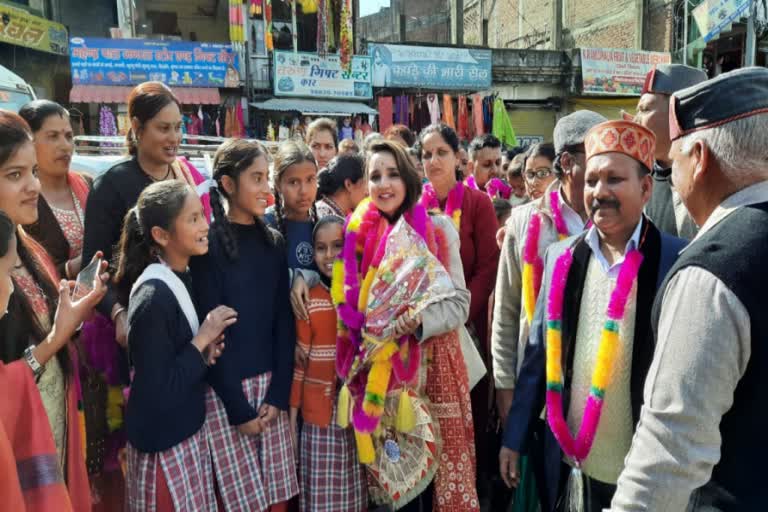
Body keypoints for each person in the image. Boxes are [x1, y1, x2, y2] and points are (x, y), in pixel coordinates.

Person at [499, 120, 686, 512]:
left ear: (646, 188)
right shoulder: (562, 258)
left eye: (615, 179)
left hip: (640, 472)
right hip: (570, 463)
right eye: (592, 181)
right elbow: (538, 358)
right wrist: (513, 438)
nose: (600, 192)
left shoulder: (674, 261)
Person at [609, 67, 768, 511]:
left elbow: (668, 456)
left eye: (673, 161)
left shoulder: (712, 274)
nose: (670, 179)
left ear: (698, 158)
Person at [336, 140, 477, 511]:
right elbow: (344, 296)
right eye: (375, 176)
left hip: (434, 368)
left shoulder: (437, 227)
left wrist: (417, 324)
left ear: (409, 179)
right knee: (394, 484)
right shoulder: (355, 236)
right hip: (378, 376)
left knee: (436, 484)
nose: (384, 184)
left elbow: (459, 302)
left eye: (393, 174)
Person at [491, 110, 604, 510]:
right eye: (595, 154)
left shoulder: (613, 221)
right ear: (568, 163)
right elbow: (505, 315)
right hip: (537, 392)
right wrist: (507, 388)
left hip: (597, 388)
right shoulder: (525, 223)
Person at [0, 110, 109, 511]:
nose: (32, 187)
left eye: (31, 172)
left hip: (51, 435)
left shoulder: (28, 249)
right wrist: (55, 340)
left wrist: (72, 315)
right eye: (14, 176)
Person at [114, 180, 235, 512]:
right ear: (161, 235)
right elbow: (159, 390)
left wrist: (202, 354)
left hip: (182, 437)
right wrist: (202, 339)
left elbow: (173, 362)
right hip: (163, 446)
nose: (204, 226)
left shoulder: (180, 276)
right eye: (193, 219)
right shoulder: (152, 299)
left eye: (202, 216)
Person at [192, 139, 298, 511]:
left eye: (266, 177)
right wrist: (238, 408)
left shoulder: (273, 242)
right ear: (227, 184)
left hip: (270, 392)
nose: (266, 188)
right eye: (256, 178)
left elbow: (284, 323)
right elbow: (212, 338)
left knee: (278, 504)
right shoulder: (207, 250)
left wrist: (278, 394)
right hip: (227, 396)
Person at [82, 82, 209, 348]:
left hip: (190, 317)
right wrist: (118, 313)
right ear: (138, 128)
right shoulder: (110, 185)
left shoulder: (187, 178)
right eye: (163, 128)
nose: (174, 138)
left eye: (178, 127)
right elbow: (90, 269)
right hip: (139, 324)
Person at [419, 124, 499, 496]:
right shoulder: (413, 206)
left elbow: (487, 265)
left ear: (458, 158)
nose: (433, 160)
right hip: (424, 334)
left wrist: (461, 316)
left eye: (441, 153)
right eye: (426, 154)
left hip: (467, 327)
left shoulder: (476, 203)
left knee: (471, 412)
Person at [289, 216, 367, 512]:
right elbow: (300, 368)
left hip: (352, 417)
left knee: (353, 495)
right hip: (316, 419)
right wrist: (292, 423)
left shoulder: (361, 297)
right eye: (321, 248)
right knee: (320, 500)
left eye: (337, 245)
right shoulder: (308, 300)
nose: (330, 255)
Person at [20, 100, 90, 280]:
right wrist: (75, 266)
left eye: (68, 136)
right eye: (53, 136)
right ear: (29, 142)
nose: (65, 145)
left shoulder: (88, 184)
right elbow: (25, 273)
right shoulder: (23, 198)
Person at [635, 64, 707, 239]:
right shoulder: (639, 178)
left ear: (677, 113)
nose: (636, 120)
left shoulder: (711, 182)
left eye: (645, 109)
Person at [264, 141, 318, 272]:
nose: (304, 191)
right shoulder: (263, 225)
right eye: (293, 182)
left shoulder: (323, 226)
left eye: (310, 179)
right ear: (277, 184)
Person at [315, 154, 367, 219]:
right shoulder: (325, 214)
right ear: (349, 184)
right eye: (366, 183)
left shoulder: (333, 212)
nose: (368, 192)